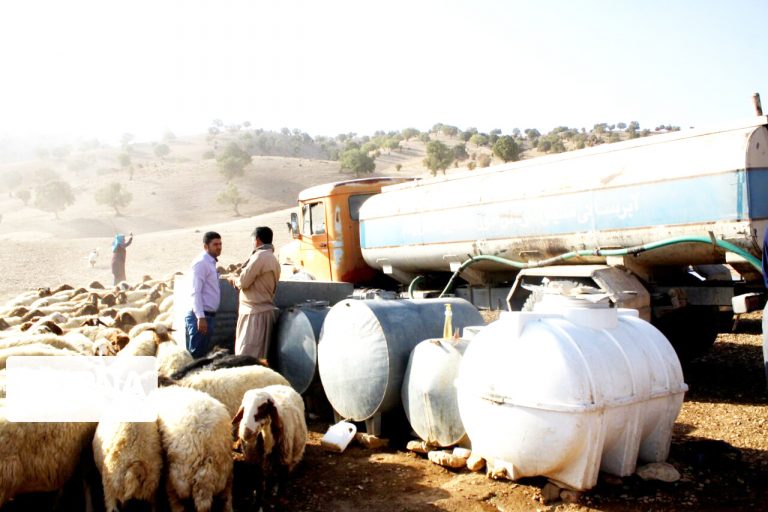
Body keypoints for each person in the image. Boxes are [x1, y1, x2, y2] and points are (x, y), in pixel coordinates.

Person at [228, 226, 281, 360]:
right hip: (264, 312)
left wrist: (234, 280)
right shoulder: (272, 258)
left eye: (253, 240)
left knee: (247, 355)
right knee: (261, 355)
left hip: (254, 315)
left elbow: (243, 282)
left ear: (257, 240)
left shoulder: (259, 257)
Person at [186, 231, 222, 358]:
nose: (219, 247)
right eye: (215, 244)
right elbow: (196, 291)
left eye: (220, 244)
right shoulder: (201, 263)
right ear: (206, 246)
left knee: (201, 355)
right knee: (196, 356)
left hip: (208, 316)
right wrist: (200, 317)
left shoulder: (210, 263)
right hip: (201, 317)